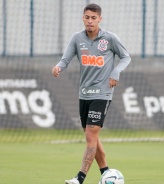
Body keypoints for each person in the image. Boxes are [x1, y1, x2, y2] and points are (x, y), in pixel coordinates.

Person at [52, 3, 131, 184]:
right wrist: (58, 67)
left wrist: (115, 72)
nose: (90, 21)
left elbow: (126, 56)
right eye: (87, 17)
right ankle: (106, 173)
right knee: (92, 136)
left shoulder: (109, 38)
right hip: (84, 94)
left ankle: (80, 178)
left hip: (102, 94)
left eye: (93, 18)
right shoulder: (77, 38)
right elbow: (66, 59)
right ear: (83, 18)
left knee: (90, 135)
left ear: (99, 19)